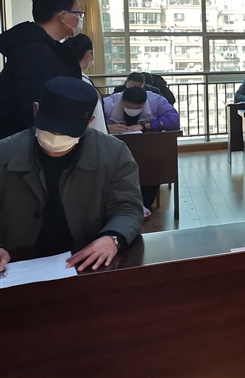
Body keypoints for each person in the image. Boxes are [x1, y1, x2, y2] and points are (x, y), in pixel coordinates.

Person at [0, 77, 142, 272]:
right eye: (49, 127)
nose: (55, 137)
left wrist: (112, 238)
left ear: (89, 122)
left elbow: (127, 207)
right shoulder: (4, 153)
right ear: (36, 110)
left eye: (67, 131)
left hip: (86, 261)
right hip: (16, 263)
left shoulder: (113, 153)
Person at [0, 0, 83, 139]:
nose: (80, 18)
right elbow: (33, 108)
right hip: (32, 144)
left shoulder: (49, 48)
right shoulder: (31, 51)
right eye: (78, 13)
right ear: (63, 16)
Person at [103, 85, 180, 212]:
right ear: (122, 101)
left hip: (146, 150)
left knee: (153, 169)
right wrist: (107, 128)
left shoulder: (155, 100)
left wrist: (146, 126)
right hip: (115, 151)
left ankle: (144, 207)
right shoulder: (108, 103)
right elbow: (90, 122)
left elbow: (174, 119)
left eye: (138, 108)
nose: (133, 110)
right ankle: (123, 206)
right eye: (129, 107)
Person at [64, 34, 107, 134]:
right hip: (91, 137)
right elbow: (96, 119)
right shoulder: (83, 83)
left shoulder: (63, 79)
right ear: (89, 53)